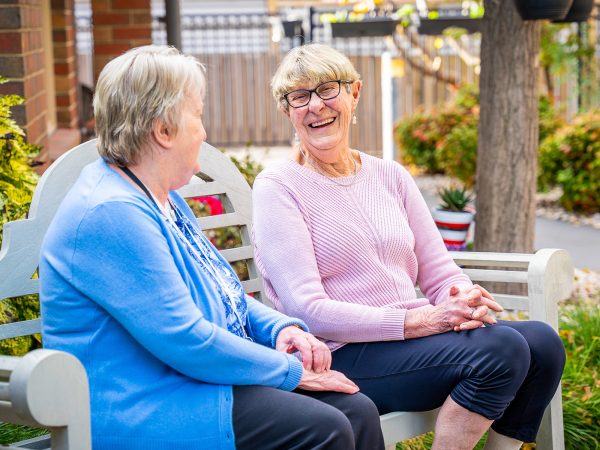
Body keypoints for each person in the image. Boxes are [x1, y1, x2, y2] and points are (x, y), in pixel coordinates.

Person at [39, 45, 385, 450]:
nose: (204, 132)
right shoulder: (112, 212)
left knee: (355, 410)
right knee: (322, 427)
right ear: (163, 131)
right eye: (198, 116)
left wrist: (279, 327)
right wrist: (289, 370)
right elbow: (187, 339)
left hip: (191, 382)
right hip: (144, 405)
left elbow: (224, 289)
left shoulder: (160, 197)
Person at [252, 43, 566, 450]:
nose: (316, 106)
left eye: (328, 89)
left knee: (543, 343)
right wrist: (427, 321)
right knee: (500, 350)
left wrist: (464, 297)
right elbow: (306, 310)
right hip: (341, 353)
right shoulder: (278, 186)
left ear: (355, 93)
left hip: (408, 344)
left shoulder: (389, 175)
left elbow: (438, 270)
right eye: (300, 96)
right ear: (287, 110)